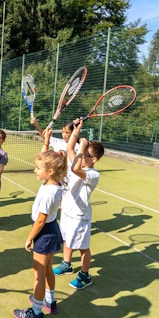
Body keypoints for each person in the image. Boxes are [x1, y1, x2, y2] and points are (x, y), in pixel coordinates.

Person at [13, 139, 66, 318]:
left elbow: (40, 220)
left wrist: (29, 238)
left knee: (38, 275)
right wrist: (45, 143)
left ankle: (36, 313)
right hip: (52, 231)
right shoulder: (55, 183)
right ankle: (50, 301)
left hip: (44, 233)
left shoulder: (48, 193)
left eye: (37, 168)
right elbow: (49, 161)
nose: (35, 170)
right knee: (48, 269)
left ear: (49, 171)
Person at [59, 119, 104, 289]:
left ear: (95, 159)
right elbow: (70, 148)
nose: (81, 155)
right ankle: (66, 264)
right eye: (82, 154)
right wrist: (77, 130)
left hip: (80, 216)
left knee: (83, 247)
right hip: (68, 211)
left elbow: (75, 169)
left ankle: (85, 275)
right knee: (67, 240)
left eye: (85, 155)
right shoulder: (78, 159)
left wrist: (82, 147)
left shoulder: (93, 174)